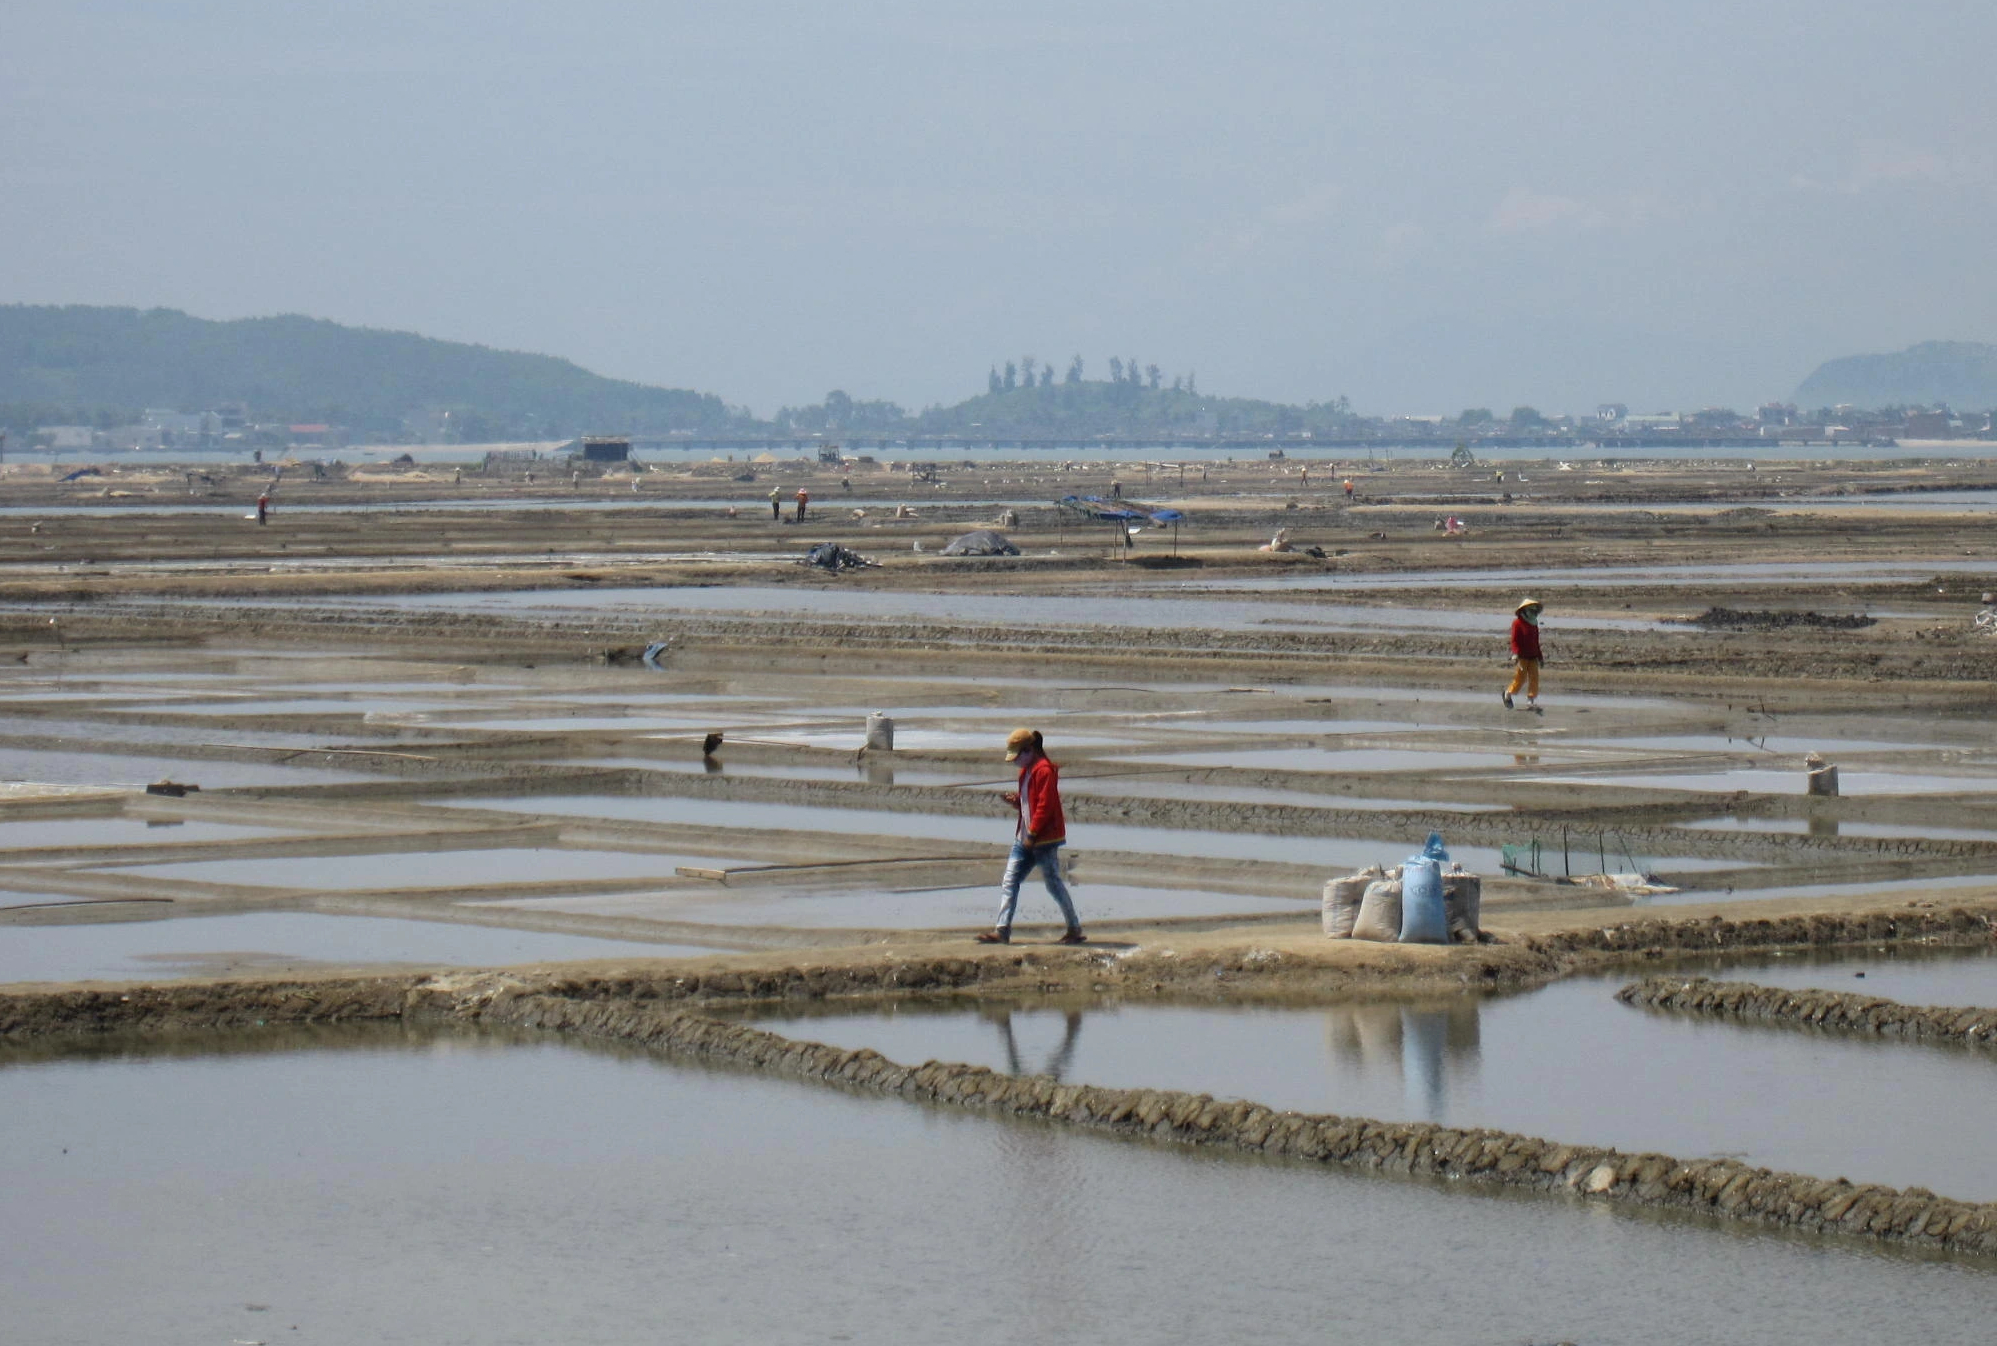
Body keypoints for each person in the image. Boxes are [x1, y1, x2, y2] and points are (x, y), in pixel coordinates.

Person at [977, 728, 1085, 945]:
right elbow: (1031, 803)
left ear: (1029, 750)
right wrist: (1017, 801)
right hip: (1024, 836)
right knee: (1010, 880)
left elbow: (1045, 807)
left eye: (1018, 755)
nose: (1016, 761)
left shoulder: (1044, 771)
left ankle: (1074, 928)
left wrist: (1032, 834)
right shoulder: (1026, 771)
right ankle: (1002, 930)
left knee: (1053, 883)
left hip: (1043, 839)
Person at [1504, 597, 1544, 710]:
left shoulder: (1534, 625)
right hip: (1521, 656)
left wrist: (1540, 657)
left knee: (1534, 678)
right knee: (1520, 678)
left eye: (1534, 610)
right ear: (1525, 610)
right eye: (1531, 610)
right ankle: (1508, 693)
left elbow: (1536, 642)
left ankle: (1530, 701)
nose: (1533, 612)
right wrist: (1515, 653)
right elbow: (1514, 640)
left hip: (1533, 656)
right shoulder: (1517, 623)